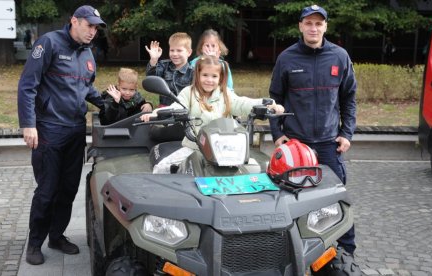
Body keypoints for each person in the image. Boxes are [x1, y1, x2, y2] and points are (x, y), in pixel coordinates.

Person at [17, 5, 106, 266]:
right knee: (47, 191)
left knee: (67, 190)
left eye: (96, 27)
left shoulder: (88, 53)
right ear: (74, 21)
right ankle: (35, 243)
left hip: (76, 130)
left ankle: (56, 236)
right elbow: (27, 86)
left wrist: (110, 102)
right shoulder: (49, 43)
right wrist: (28, 124)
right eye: (89, 25)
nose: (93, 31)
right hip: (49, 130)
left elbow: (85, 88)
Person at [268, 5, 358, 257]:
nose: (313, 28)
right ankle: (295, 253)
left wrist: (347, 133)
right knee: (292, 202)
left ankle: (345, 254)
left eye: (318, 23)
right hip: (296, 146)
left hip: (330, 145)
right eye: (309, 23)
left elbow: (349, 97)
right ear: (300, 26)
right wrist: (277, 134)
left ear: (325, 27)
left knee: (337, 200)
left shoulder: (340, 56)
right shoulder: (287, 58)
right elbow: (274, 98)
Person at [141, 55, 284, 172]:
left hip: (227, 152)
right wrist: (156, 114)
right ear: (198, 75)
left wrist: (268, 103)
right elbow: (175, 107)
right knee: (162, 168)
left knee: (257, 170)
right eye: (205, 75)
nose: (209, 80)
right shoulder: (189, 93)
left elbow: (242, 103)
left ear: (221, 78)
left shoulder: (226, 94)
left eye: (214, 76)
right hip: (194, 148)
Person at [145, 32, 194, 141]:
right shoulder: (163, 65)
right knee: (153, 132)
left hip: (183, 113)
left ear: (189, 52)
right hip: (164, 111)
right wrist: (153, 60)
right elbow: (151, 78)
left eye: (179, 50)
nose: (175, 54)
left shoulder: (193, 72)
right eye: (172, 50)